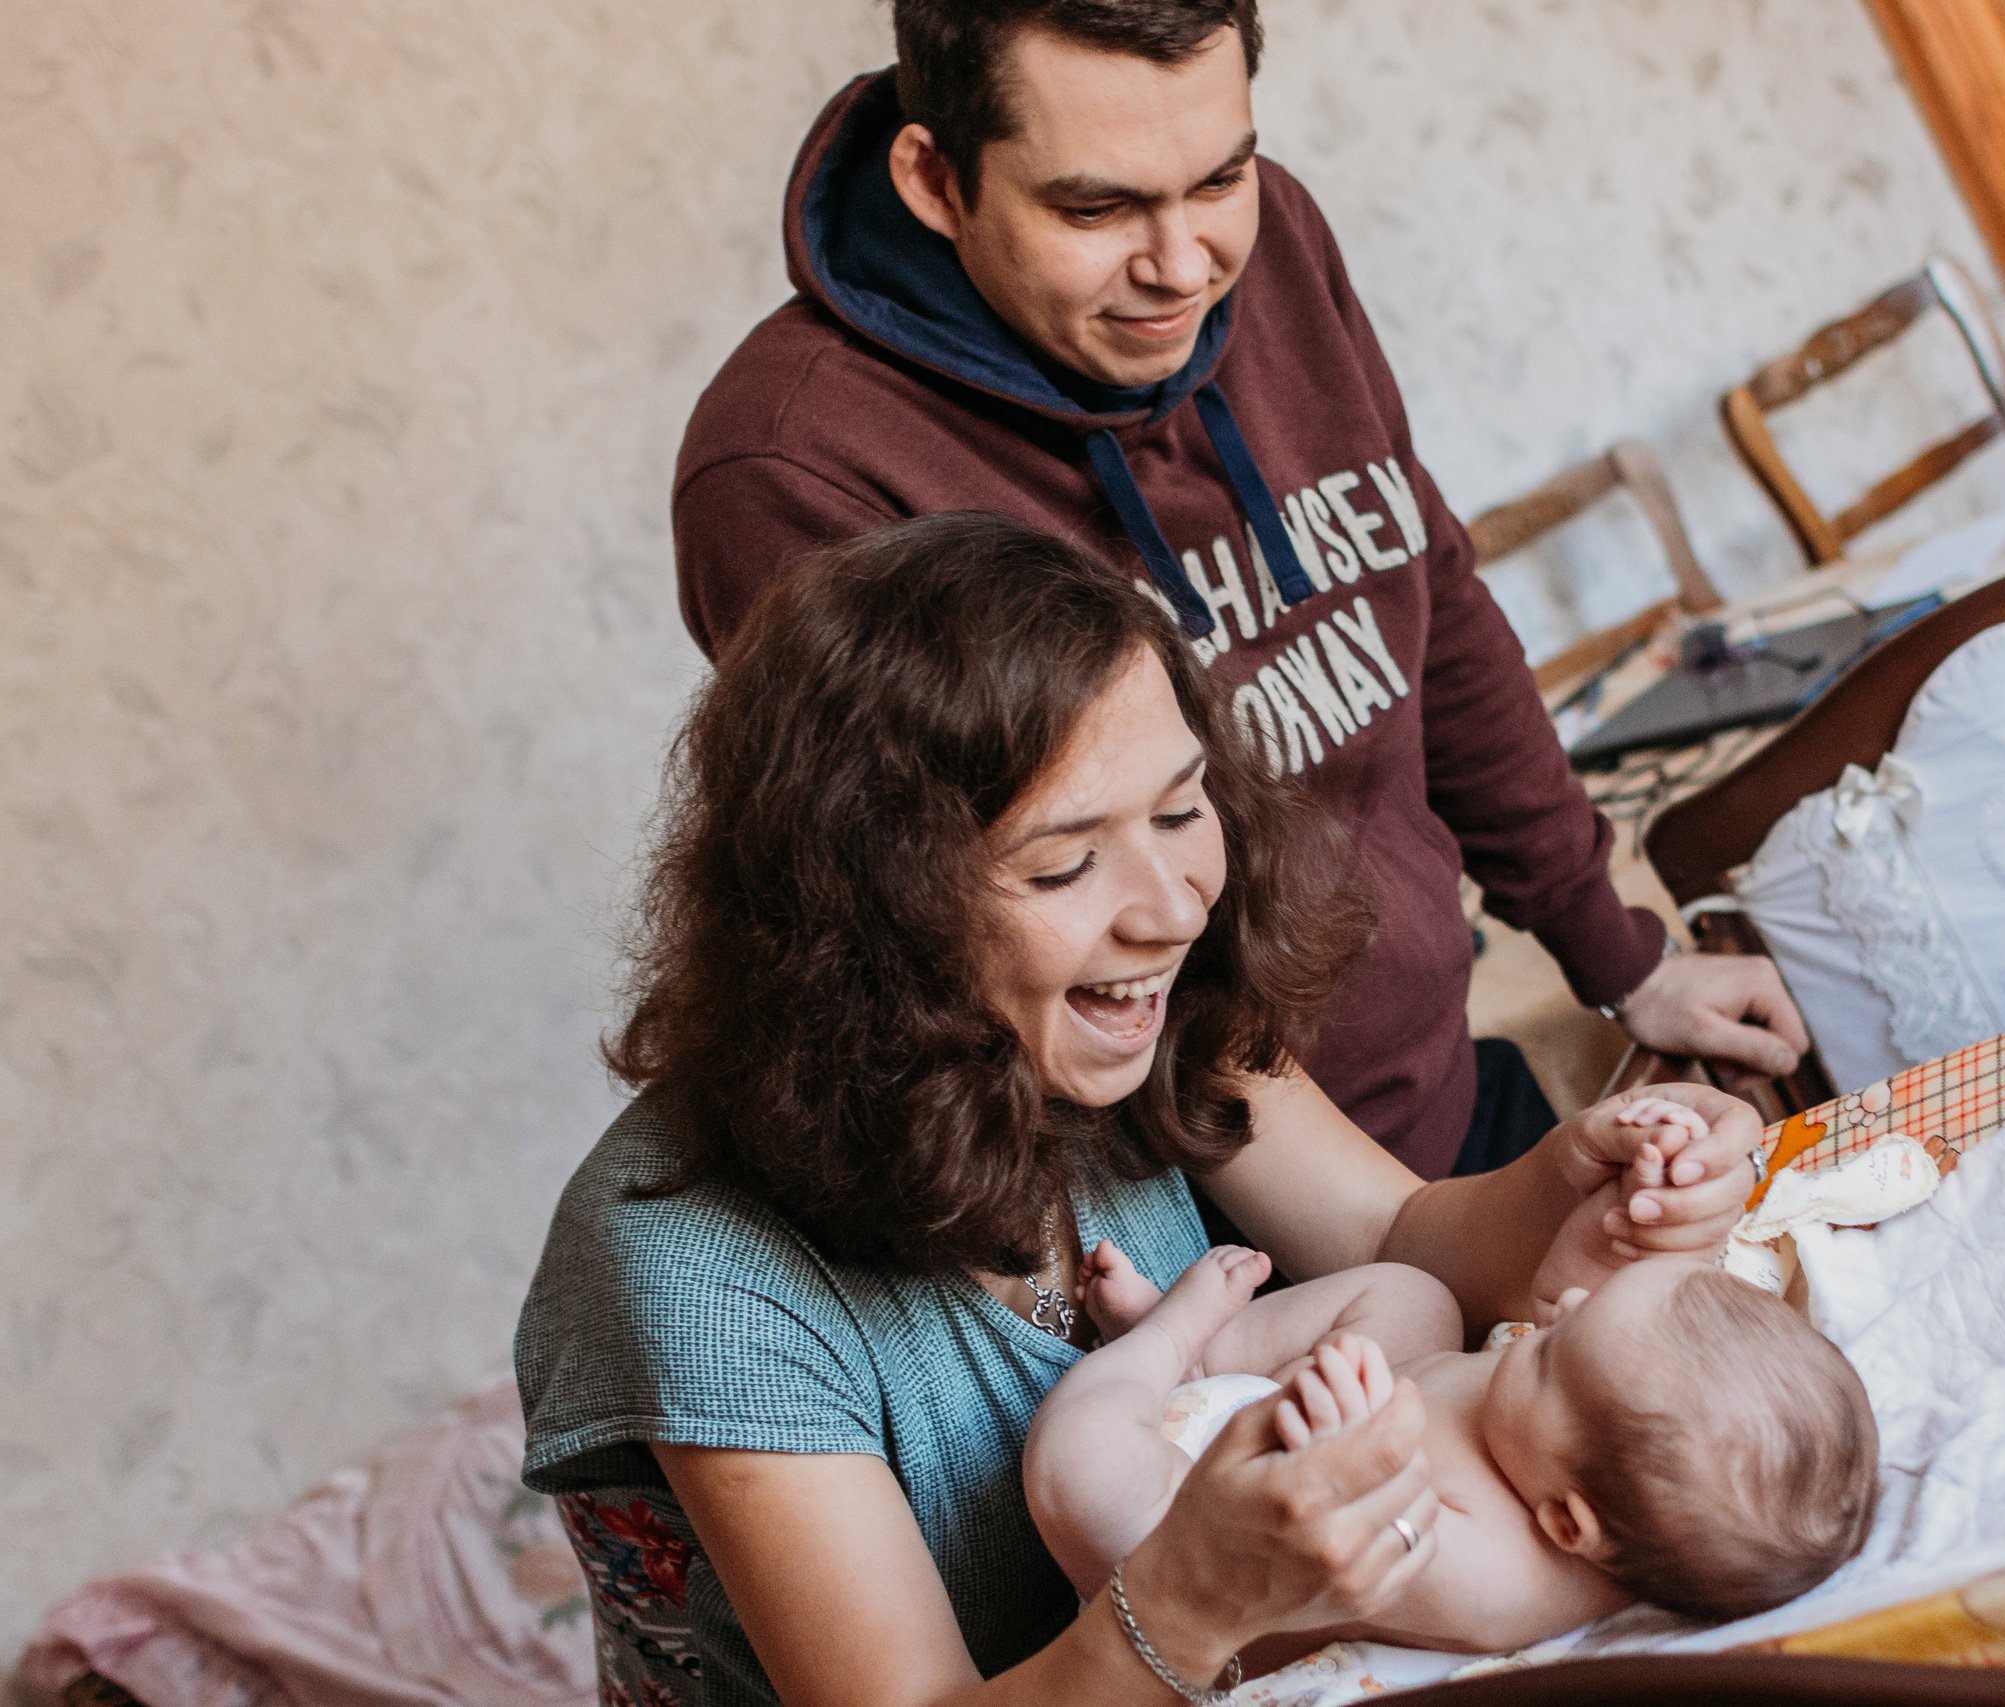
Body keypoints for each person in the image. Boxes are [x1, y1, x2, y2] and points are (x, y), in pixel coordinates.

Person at [516, 514, 1767, 1705]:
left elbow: (1396, 1246)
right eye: (1062, 865)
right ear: (867, 920)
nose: (1170, 906)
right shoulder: (690, 1265)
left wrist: (1589, 1184)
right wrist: (1186, 1604)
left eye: (1181, 810)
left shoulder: (1134, 1011)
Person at [669, 0, 1807, 1179]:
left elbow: (1431, 607)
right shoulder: (795, 467)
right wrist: (1395, 1239)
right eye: (1094, 207)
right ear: (934, 179)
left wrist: (1621, 957)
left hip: (1444, 1096)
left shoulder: (1273, 251)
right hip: (1202, 1219)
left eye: (1219, 179)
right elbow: (970, 950)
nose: (1181, 268)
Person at [1026, 1235, 1880, 1658]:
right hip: (1271, 1400)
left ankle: (1167, 1342)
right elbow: (1577, 1324)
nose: (1563, 1303)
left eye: (1553, 1353)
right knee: (1414, 1294)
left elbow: (1339, 1537)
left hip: (1186, 1522)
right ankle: (1218, 1351)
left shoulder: (1513, 1580)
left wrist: (1343, 1442)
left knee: (1085, 1478)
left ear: (1568, 1522)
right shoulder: (1560, 1445)